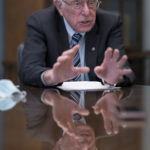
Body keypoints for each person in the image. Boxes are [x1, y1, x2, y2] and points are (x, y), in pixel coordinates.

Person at [19, 0, 135, 87]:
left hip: (96, 110)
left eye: (91, 2)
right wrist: (51, 76)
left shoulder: (110, 23)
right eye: (77, 4)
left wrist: (115, 78)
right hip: (54, 110)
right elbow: (28, 71)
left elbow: (126, 72)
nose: (86, 12)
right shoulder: (40, 22)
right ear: (59, 6)